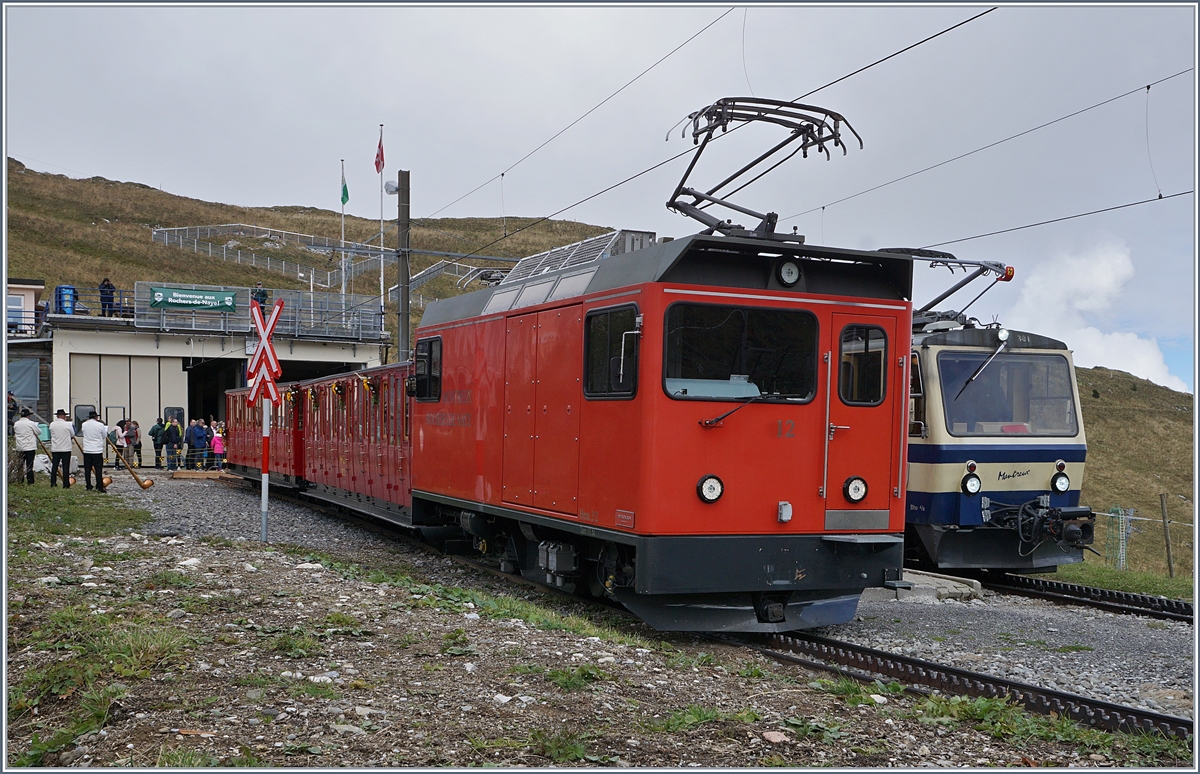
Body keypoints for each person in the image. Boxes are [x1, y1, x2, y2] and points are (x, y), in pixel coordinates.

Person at [80, 410, 108, 492]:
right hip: (97, 450)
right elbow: (104, 435)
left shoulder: (84, 425)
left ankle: (88, 485)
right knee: (98, 469)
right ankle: (99, 486)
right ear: (96, 417)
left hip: (87, 450)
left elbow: (83, 433)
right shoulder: (100, 425)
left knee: (87, 469)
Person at [12, 408, 41, 485]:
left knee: (20, 465)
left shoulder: (16, 424)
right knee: (29, 465)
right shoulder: (31, 423)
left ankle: (20, 480)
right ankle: (30, 481)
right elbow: (38, 432)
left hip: (20, 447)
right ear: (28, 416)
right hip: (29, 447)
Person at [49, 408, 75, 488]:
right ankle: (66, 484)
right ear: (64, 416)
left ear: (57, 416)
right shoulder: (68, 424)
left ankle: (53, 483)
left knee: (55, 466)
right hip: (65, 448)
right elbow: (72, 434)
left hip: (55, 448)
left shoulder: (52, 424)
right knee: (65, 466)